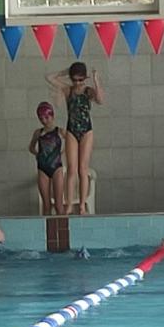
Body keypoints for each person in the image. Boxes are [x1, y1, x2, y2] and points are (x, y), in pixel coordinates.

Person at [47, 61, 103, 214]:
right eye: (74, 79)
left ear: (85, 78)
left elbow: (100, 100)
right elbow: (49, 78)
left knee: (83, 169)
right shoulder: (68, 90)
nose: (77, 83)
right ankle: (70, 204)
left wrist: (96, 81)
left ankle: (82, 205)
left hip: (87, 131)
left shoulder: (88, 91)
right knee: (71, 169)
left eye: (80, 80)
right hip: (71, 130)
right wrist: (65, 72)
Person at [30, 100, 66, 216]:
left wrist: (62, 153)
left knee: (59, 205)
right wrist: (37, 154)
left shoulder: (60, 131)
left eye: (46, 117)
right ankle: (46, 227)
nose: (44, 121)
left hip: (57, 167)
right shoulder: (38, 133)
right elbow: (31, 147)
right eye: (41, 118)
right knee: (46, 205)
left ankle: (62, 226)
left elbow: (71, 144)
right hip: (42, 168)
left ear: (52, 116)